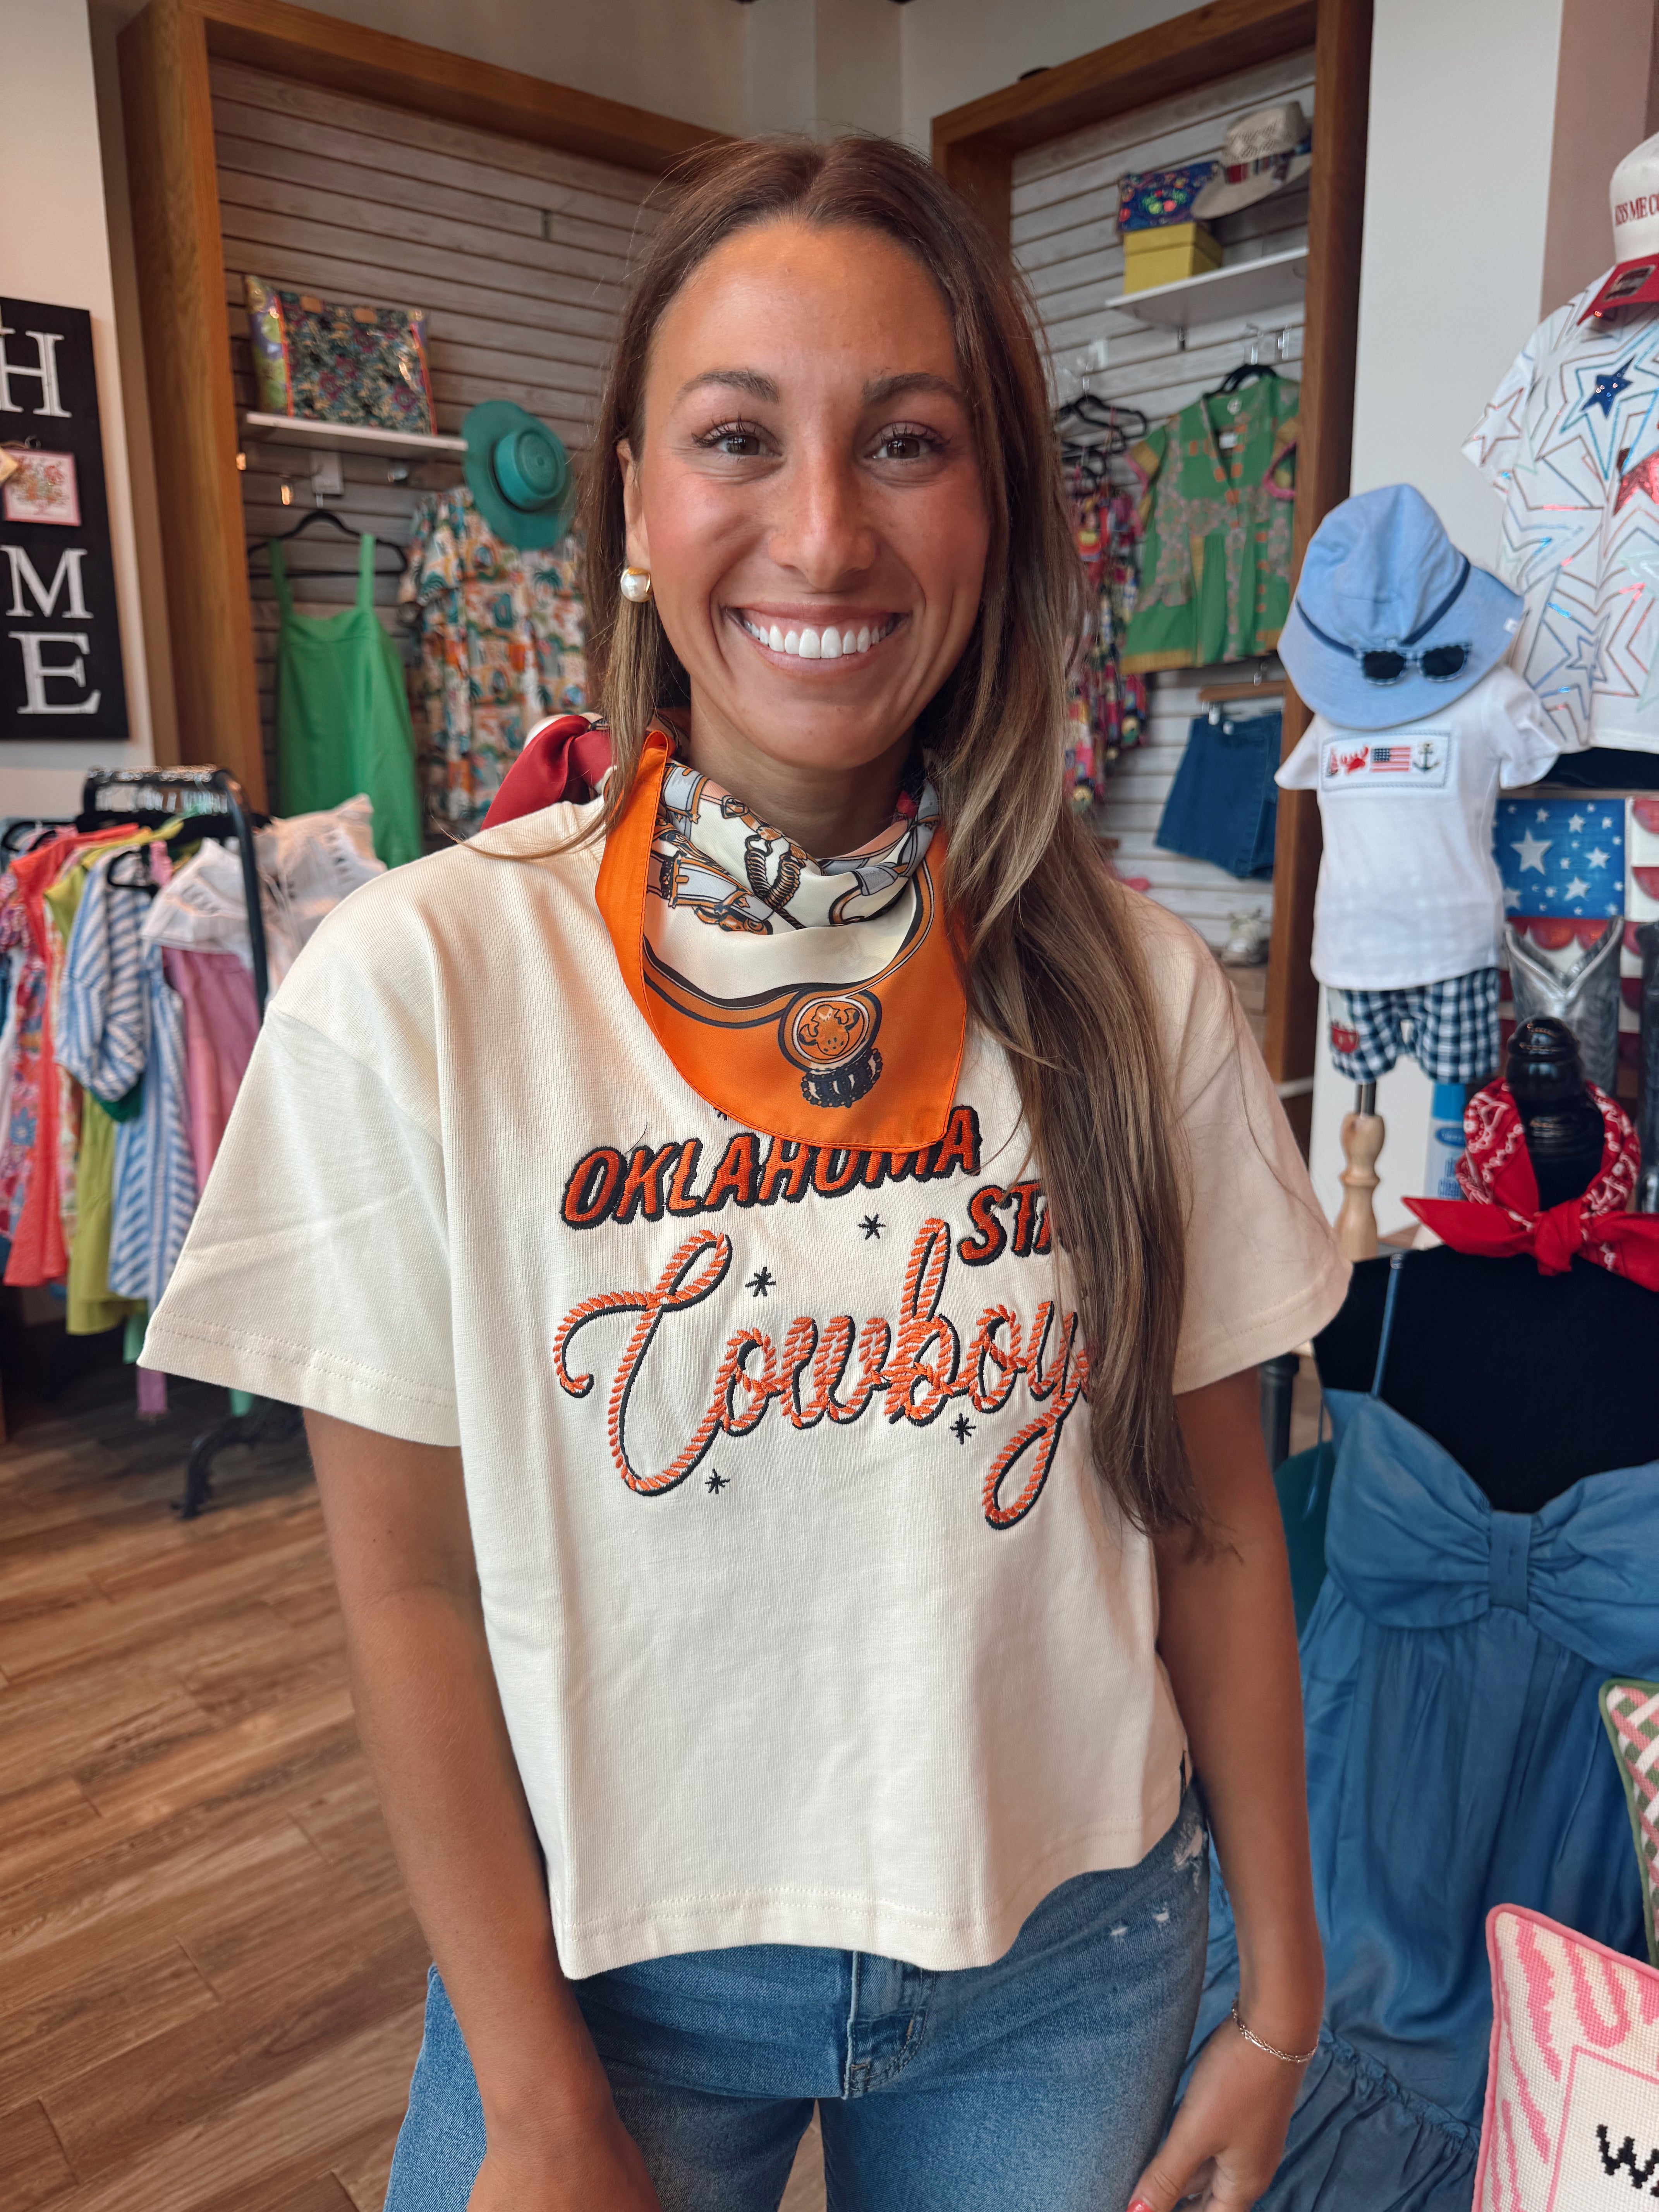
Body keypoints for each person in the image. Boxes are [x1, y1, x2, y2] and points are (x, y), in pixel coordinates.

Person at [144, 137, 1347, 2212]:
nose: (822, 532)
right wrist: (536, 2103)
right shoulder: (425, 983)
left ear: (997, 513)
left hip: (1072, 1967)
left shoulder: (1136, 992)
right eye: (737, 437)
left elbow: (1222, 1526)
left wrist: (1285, 1999)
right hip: (608, 1987)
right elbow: (407, 1584)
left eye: (906, 442)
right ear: (632, 501)